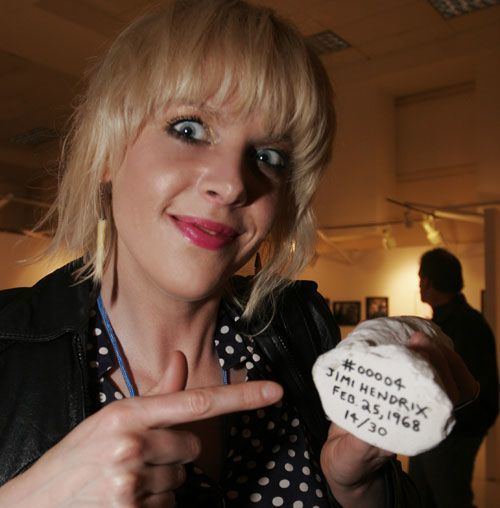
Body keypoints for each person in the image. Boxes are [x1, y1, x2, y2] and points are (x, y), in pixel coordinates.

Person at [0, 2, 477, 507]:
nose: (231, 183)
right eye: (189, 129)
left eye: (268, 156)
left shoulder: (300, 332)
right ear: (107, 152)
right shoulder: (8, 350)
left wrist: (356, 488)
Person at [409, 248, 499, 508]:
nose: (419, 284)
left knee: (449, 498)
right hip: (442, 427)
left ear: (428, 280)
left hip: (454, 431)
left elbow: (470, 389)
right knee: (423, 495)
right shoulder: (456, 322)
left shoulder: (464, 324)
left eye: (421, 277)